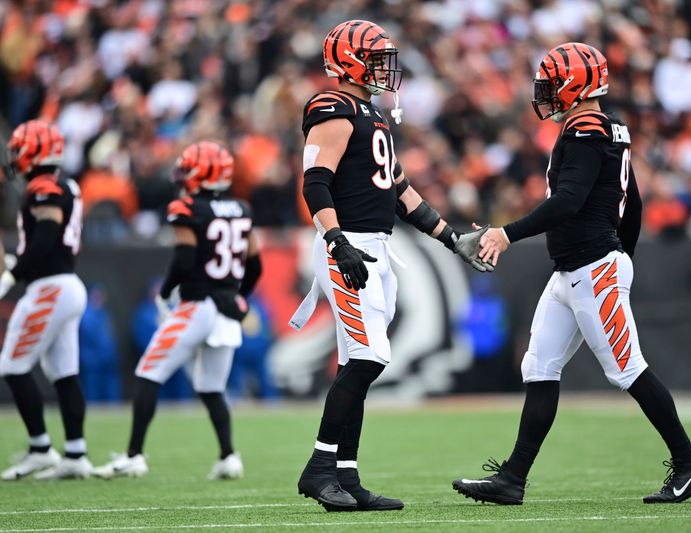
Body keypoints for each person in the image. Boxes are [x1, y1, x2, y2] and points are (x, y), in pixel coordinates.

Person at [452, 43, 691, 505]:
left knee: (627, 369)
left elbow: (568, 202)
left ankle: (690, 465)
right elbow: (632, 202)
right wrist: (622, 254)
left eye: (553, 83)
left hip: (592, 268)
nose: (547, 93)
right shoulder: (606, 127)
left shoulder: (587, 129)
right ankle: (513, 479)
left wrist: (508, 234)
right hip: (574, 270)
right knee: (539, 367)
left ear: (575, 85)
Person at [293, 19, 490, 512]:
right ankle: (319, 468)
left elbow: (399, 191)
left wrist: (451, 238)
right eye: (376, 57)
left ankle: (346, 474)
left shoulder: (370, 113)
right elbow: (314, 182)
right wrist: (336, 241)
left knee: (356, 361)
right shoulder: (333, 107)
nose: (385, 68)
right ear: (350, 61)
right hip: (350, 247)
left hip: (377, 249)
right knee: (369, 357)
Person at [92, 141, 262, 480]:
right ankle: (229, 456)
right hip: (225, 311)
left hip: (197, 305)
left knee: (148, 372)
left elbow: (185, 260)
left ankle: (134, 455)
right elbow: (255, 265)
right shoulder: (241, 209)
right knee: (212, 388)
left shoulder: (187, 209)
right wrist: (234, 295)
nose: (182, 175)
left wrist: (167, 291)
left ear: (202, 174)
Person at [0, 120, 91, 480]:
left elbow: (47, 236)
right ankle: (75, 454)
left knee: (11, 365)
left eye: (20, 150)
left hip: (50, 288)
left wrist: (12, 274)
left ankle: (41, 449)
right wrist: (19, 263)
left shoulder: (43, 186)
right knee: (65, 374)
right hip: (64, 284)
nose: (15, 157)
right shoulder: (65, 183)